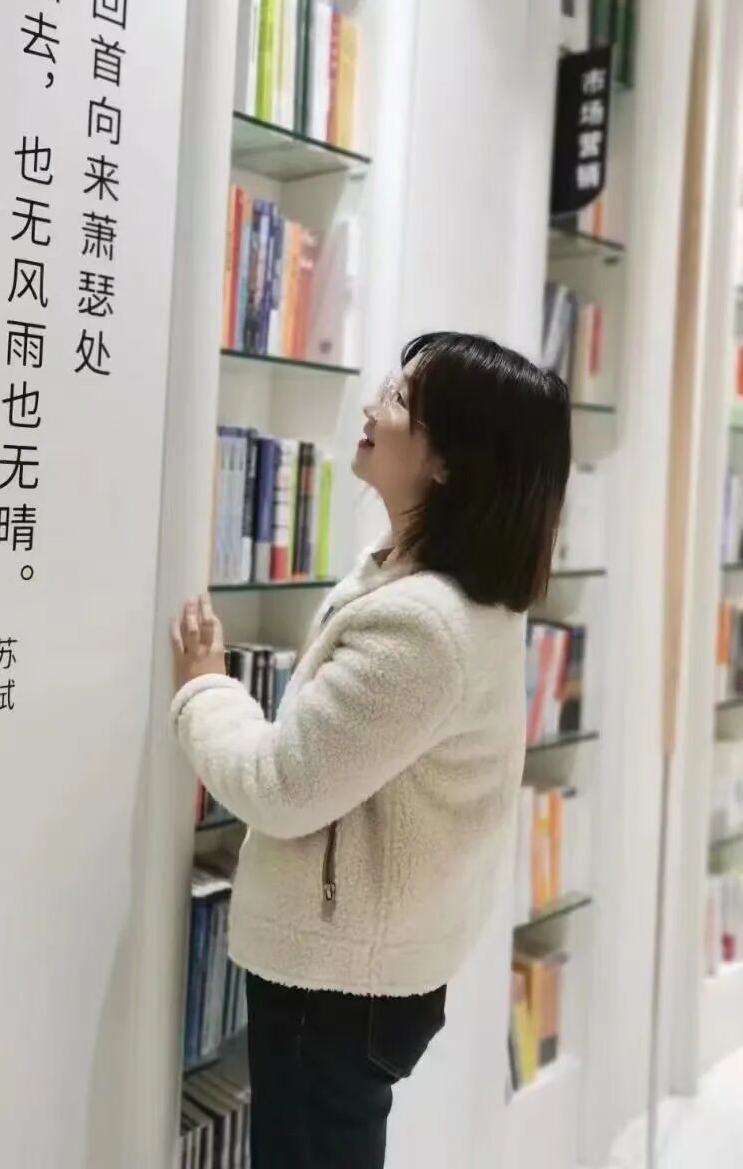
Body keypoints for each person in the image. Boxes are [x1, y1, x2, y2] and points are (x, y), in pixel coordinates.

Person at [170, 331, 571, 1169]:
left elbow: (281, 785)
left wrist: (205, 687)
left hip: (337, 989)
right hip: (361, 980)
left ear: (447, 462)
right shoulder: (444, 594)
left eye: (399, 400)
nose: (371, 407)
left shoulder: (421, 626)